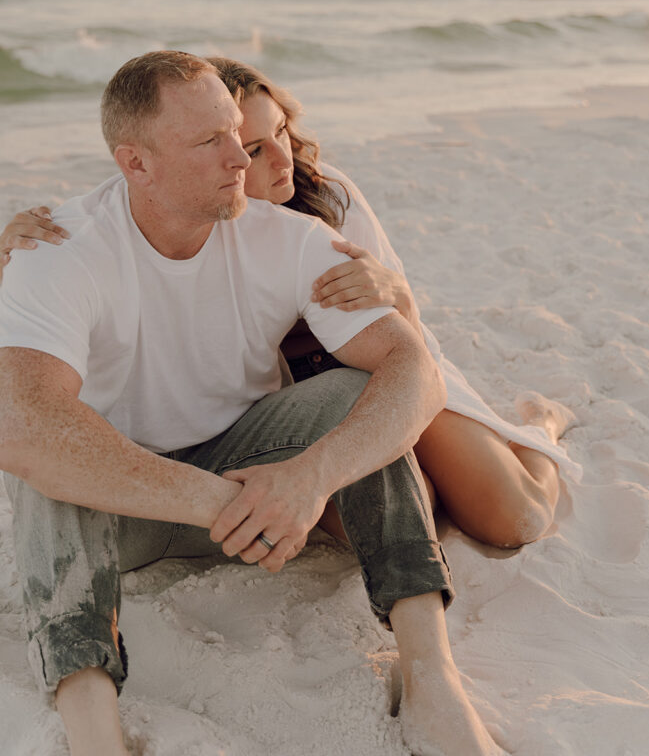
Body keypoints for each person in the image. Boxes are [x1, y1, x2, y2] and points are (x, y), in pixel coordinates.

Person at [0, 51, 502, 756]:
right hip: (125, 509)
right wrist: (220, 504)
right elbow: (22, 426)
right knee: (46, 461)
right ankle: (93, 732)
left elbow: (413, 369)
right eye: (211, 141)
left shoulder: (288, 238)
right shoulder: (59, 248)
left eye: (239, 132)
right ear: (136, 163)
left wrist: (312, 477)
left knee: (357, 392)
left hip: (252, 471)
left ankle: (431, 672)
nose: (242, 158)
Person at [0, 59, 581, 550]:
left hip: (369, 374)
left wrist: (397, 294)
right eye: (248, 146)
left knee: (514, 519)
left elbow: (408, 343)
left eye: (279, 131)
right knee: (406, 513)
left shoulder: (328, 198)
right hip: (285, 406)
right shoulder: (192, 210)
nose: (278, 158)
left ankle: (540, 429)